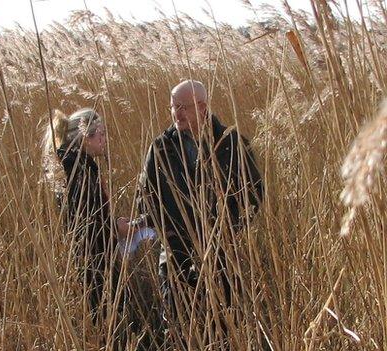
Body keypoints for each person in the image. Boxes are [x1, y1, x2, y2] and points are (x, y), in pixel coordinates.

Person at [137, 80, 264, 348]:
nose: (177, 113)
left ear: (203, 107)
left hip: (221, 255)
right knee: (180, 329)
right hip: (175, 256)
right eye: (173, 107)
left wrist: (230, 230)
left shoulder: (231, 143)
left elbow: (253, 197)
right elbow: (146, 197)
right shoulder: (161, 148)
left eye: (183, 107)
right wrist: (167, 232)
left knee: (225, 326)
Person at [42, 108, 131, 323]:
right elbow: (86, 223)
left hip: (90, 257)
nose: (105, 139)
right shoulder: (78, 170)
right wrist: (117, 228)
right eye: (101, 133)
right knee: (107, 317)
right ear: (86, 136)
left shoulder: (75, 166)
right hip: (93, 261)